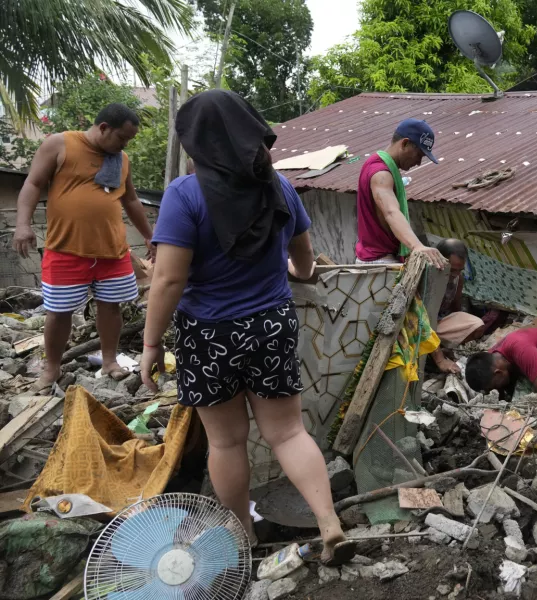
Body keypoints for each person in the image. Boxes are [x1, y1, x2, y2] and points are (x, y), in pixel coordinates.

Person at [138, 90, 355, 565]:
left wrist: (151, 343)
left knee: (227, 441)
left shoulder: (184, 194)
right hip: (272, 325)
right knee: (289, 433)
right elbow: (304, 262)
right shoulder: (280, 188)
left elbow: (170, 277)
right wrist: (293, 274)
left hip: (209, 334)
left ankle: (243, 540)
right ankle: (328, 522)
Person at [13, 103, 154, 390]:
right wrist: (23, 224)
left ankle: (110, 360)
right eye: (122, 138)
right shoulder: (59, 144)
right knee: (58, 311)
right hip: (66, 248)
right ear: (104, 128)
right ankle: (51, 369)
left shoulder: (121, 158)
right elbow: (32, 183)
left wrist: (150, 237)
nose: (125, 144)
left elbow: (131, 201)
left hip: (112, 250)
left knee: (111, 306)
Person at [355, 119, 460, 374]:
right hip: (380, 265)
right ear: (405, 144)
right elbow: (391, 211)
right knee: (405, 328)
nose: (419, 162)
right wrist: (416, 246)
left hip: (378, 261)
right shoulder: (380, 173)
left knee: (398, 332)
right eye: (419, 154)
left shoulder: (382, 169)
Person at [434, 239, 486, 345]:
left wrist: (460, 326)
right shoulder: (429, 277)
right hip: (422, 324)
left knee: (478, 326)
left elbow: (456, 307)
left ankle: (446, 345)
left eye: (460, 270)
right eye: (452, 270)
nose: (456, 274)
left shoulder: (458, 279)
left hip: (441, 322)